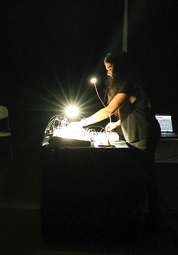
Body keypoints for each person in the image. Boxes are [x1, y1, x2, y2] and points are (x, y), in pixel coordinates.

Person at [69, 51, 162, 226]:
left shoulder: (130, 84)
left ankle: (152, 218)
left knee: (145, 175)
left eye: (110, 68)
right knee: (144, 173)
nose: (108, 72)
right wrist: (119, 123)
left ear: (121, 67)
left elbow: (109, 110)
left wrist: (81, 123)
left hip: (143, 133)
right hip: (138, 131)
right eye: (106, 68)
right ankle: (148, 214)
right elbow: (135, 107)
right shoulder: (128, 82)